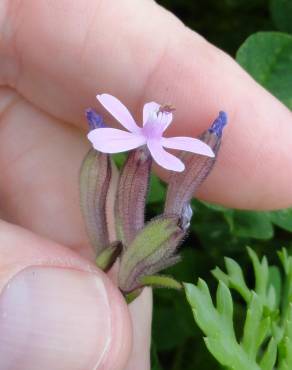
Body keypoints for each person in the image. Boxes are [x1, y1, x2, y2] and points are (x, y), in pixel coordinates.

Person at [0, 1, 291, 369]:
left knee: (168, 210)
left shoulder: (169, 151)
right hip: (127, 240)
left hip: (142, 246)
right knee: (128, 193)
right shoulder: (135, 145)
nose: (156, 117)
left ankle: (131, 272)